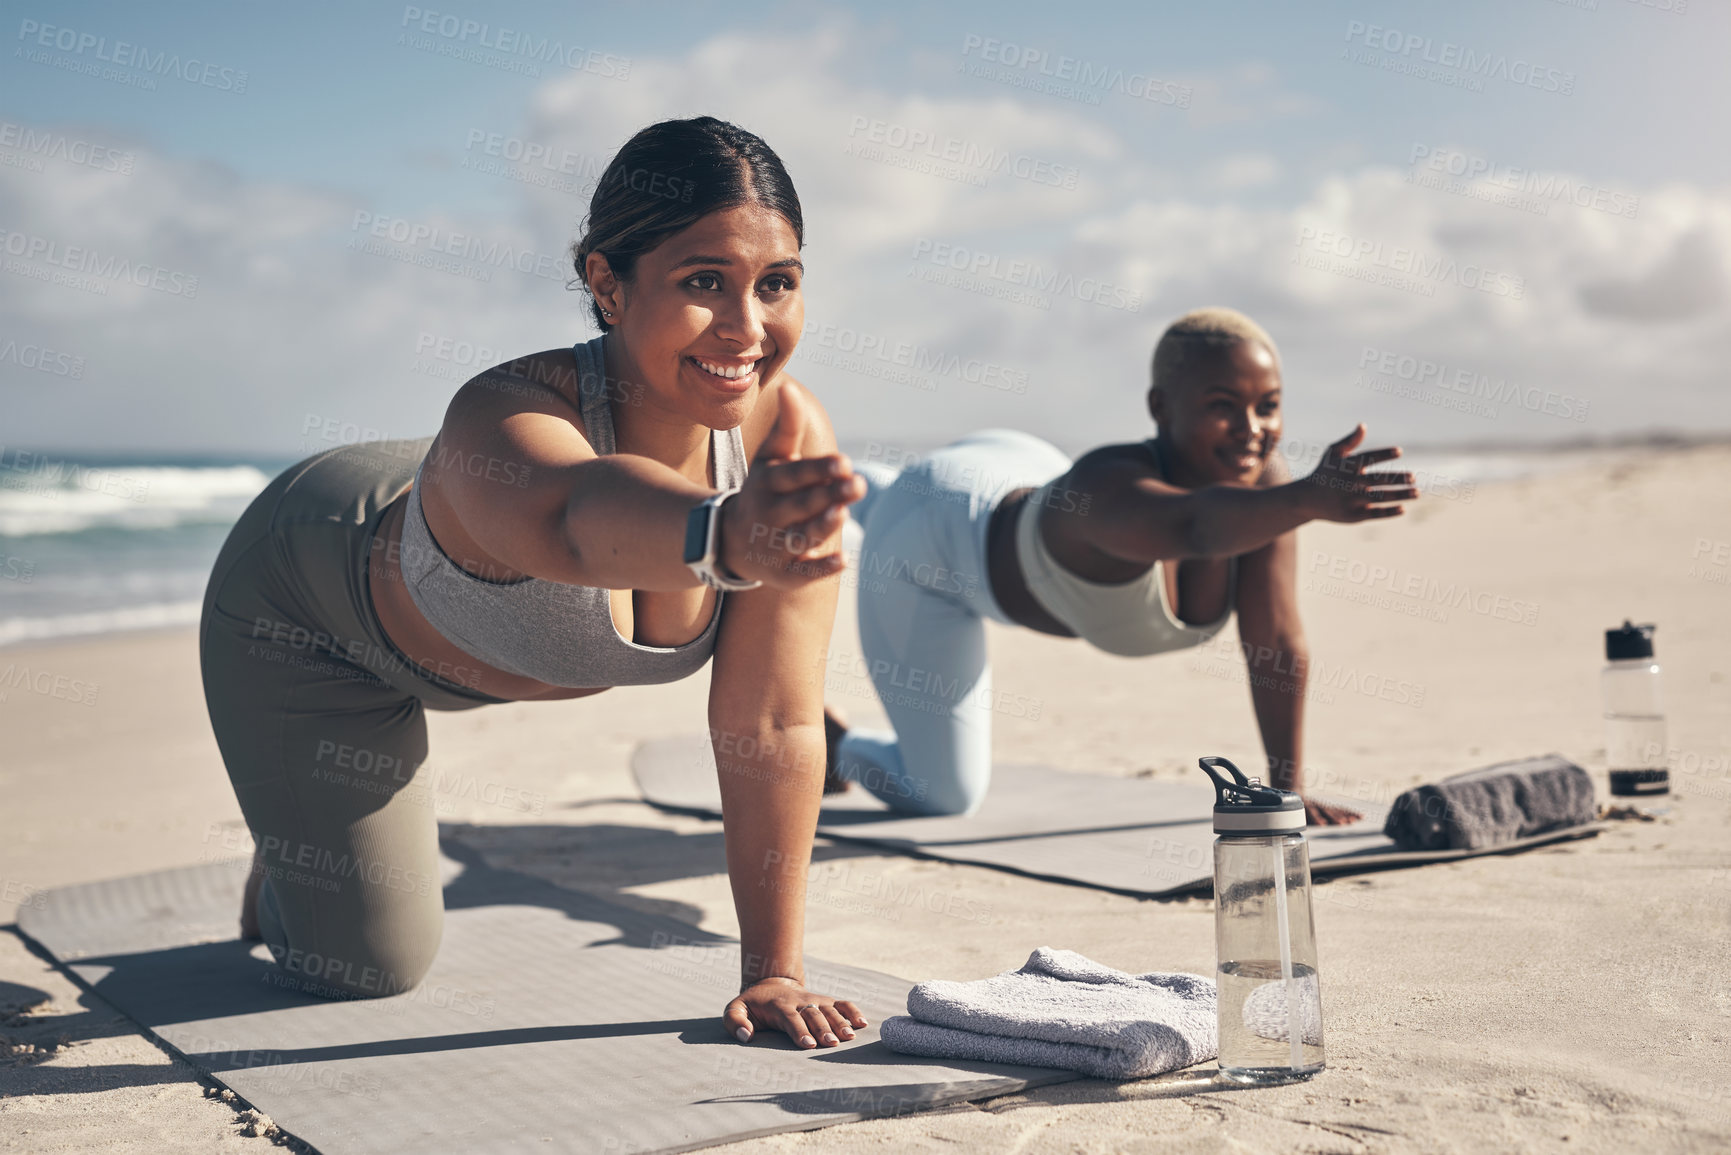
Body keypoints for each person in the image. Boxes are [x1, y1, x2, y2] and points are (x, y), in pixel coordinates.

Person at [199, 117, 873, 1052]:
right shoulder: (506, 413)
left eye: (778, 283)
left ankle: (308, 824)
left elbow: (771, 721)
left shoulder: (784, 441)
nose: (747, 327)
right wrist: (724, 534)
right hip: (309, 602)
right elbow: (576, 521)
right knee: (364, 966)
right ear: (606, 282)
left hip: (451, 547)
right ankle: (294, 848)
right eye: (702, 281)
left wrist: (772, 969)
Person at [827, 308, 1416, 826]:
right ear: (1160, 407)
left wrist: (1286, 791)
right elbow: (1194, 528)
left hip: (1008, 468)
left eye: (1268, 407)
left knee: (917, 495)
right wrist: (1306, 502)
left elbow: (1276, 641)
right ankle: (840, 743)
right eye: (1222, 406)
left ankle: (856, 484)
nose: (1251, 430)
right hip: (928, 546)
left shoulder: (1264, 487)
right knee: (943, 795)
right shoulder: (1107, 485)